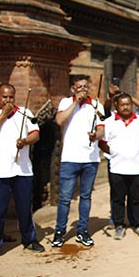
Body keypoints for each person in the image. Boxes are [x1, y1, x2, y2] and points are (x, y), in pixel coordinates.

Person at [0, 83, 44, 256]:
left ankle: (29, 239)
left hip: (22, 170)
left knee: (24, 208)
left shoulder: (24, 112)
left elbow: (35, 134)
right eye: (4, 97)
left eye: (11, 97)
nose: (8, 100)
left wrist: (25, 141)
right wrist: (4, 114)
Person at [53, 75, 104, 248]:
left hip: (90, 158)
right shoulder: (65, 102)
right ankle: (60, 231)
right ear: (73, 89)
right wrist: (76, 102)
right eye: (79, 87)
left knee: (86, 196)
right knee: (65, 198)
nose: (83, 89)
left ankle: (82, 230)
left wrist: (95, 135)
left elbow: (101, 129)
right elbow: (59, 120)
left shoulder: (96, 105)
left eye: (85, 87)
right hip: (70, 158)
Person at [98, 93, 139, 239]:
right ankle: (119, 225)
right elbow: (101, 142)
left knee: (136, 198)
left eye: (128, 104)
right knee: (118, 198)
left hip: (136, 167)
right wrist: (113, 152)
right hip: (117, 167)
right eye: (122, 104)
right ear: (116, 106)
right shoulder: (109, 122)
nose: (126, 107)